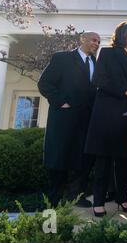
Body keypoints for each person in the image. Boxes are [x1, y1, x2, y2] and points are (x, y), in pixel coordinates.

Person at [85, 21, 127, 217]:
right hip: (107, 112)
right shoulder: (107, 53)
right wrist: (124, 91)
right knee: (103, 160)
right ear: (121, 35)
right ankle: (98, 201)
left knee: (123, 160)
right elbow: (99, 81)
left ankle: (122, 199)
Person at [38, 32, 100, 208]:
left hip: (86, 120)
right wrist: (60, 102)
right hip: (64, 118)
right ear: (82, 39)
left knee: (82, 160)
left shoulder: (95, 63)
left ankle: (75, 196)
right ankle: (53, 202)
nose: (96, 43)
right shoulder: (62, 58)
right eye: (93, 40)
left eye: (98, 41)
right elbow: (44, 83)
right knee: (59, 159)